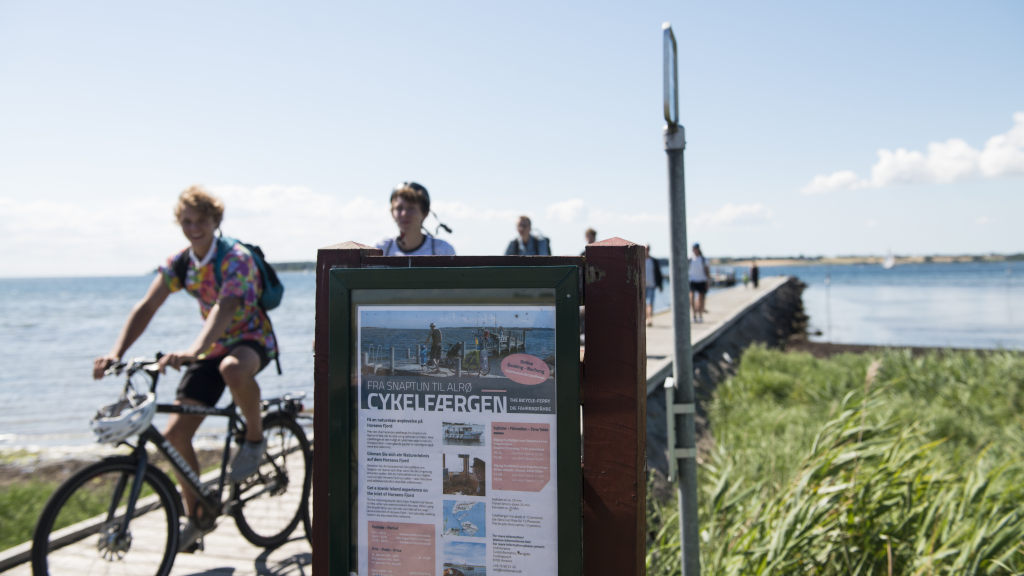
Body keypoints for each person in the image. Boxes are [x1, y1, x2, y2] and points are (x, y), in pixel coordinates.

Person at [92, 185, 278, 550]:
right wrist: (115, 352)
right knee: (176, 434)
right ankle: (198, 516)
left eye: (201, 221)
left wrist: (193, 349)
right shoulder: (182, 263)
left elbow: (226, 308)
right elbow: (146, 306)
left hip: (250, 339)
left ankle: (254, 438)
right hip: (209, 347)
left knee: (233, 370)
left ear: (215, 221)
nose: (194, 228)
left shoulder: (235, 258)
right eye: (187, 221)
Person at [376, 182, 456, 256]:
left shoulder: (443, 250)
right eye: (399, 208)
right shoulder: (380, 249)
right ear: (392, 213)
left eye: (411, 208)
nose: (404, 214)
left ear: (424, 214)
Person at [688, 243, 710, 323]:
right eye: (693, 248)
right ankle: (693, 315)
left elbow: (707, 271)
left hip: (701, 280)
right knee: (691, 298)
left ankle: (700, 316)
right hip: (692, 281)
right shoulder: (690, 259)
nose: (695, 250)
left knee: (701, 299)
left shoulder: (704, 259)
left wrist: (708, 281)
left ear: (698, 249)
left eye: (696, 248)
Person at [645, 244, 664, 326]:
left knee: (650, 303)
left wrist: (660, 285)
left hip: (651, 285)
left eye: (647, 249)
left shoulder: (654, 261)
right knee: (643, 304)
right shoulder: (640, 260)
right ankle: (645, 318)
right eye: (645, 249)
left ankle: (650, 319)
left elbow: (658, 274)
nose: (646, 250)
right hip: (642, 286)